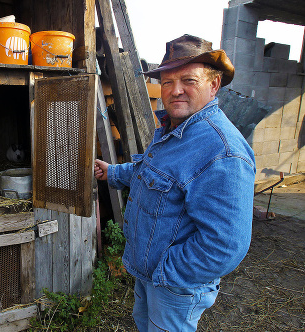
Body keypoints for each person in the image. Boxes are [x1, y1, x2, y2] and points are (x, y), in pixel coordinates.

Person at [94, 34, 256, 331]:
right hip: (149, 273)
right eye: (167, 82)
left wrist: (167, 272)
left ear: (213, 85)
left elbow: (225, 245)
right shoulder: (177, 129)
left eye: (188, 81)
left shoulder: (222, 151)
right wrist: (113, 173)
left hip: (172, 285)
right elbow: (153, 174)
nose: (175, 90)